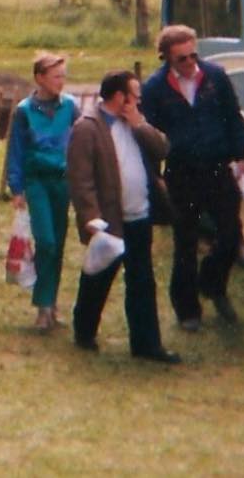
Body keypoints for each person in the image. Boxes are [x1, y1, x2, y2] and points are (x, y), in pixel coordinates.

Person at [140, 25, 244, 331]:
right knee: (185, 243)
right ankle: (187, 310)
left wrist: (240, 155)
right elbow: (149, 134)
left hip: (218, 167)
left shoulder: (215, 77)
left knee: (231, 234)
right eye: (182, 59)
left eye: (193, 55)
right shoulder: (155, 89)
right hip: (183, 173)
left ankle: (213, 283)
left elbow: (233, 116)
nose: (190, 63)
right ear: (167, 59)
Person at [67, 69, 179, 363]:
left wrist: (140, 124)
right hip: (109, 222)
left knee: (142, 281)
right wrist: (91, 218)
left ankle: (146, 344)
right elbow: (80, 179)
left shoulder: (135, 124)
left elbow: (163, 148)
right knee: (100, 278)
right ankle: (84, 330)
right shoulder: (87, 128)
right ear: (120, 97)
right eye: (135, 97)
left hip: (139, 215)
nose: (138, 101)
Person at [7, 52, 79, 332]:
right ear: (39, 78)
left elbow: (81, 140)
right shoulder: (25, 111)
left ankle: (50, 304)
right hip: (37, 181)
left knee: (58, 243)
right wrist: (16, 187)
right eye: (55, 76)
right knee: (45, 240)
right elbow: (16, 151)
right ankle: (42, 303)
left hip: (63, 180)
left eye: (63, 76)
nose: (61, 81)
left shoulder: (70, 107)